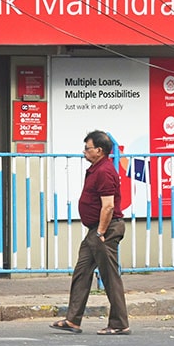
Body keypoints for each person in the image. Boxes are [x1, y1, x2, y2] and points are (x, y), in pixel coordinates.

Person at [51, 130, 130, 335]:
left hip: (105, 229)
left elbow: (108, 206)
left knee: (110, 276)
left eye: (88, 148)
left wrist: (101, 233)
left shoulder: (104, 172)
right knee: (82, 272)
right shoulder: (96, 169)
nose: (84, 151)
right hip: (96, 229)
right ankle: (73, 320)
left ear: (100, 150)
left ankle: (120, 323)